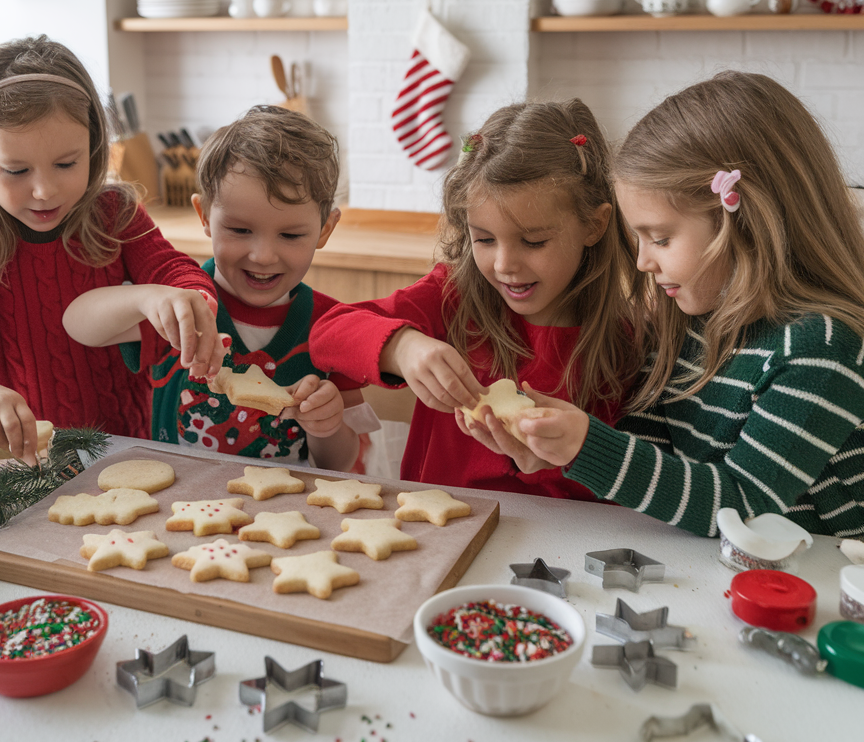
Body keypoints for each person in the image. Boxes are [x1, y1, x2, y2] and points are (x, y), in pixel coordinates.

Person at [508, 72, 864, 537]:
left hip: (818, 583)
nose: (641, 262)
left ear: (746, 222)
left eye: (660, 238)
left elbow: (743, 510)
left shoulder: (819, 348)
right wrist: (555, 451)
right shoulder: (684, 320)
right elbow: (653, 458)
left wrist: (588, 446)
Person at [0, 35, 222, 462]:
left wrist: (191, 301)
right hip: (24, 463)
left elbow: (176, 272)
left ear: (92, 146)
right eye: (16, 170)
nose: (43, 190)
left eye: (66, 164)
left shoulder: (115, 214)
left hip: (126, 450)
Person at [309, 100, 641, 498]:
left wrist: (565, 455)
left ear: (594, 224)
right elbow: (327, 334)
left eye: (533, 241)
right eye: (483, 239)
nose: (504, 264)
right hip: (440, 535)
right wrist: (402, 347)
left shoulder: (627, 343)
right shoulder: (452, 298)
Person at [63, 106, 370, 472]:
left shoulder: (335, 329)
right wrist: (147, 297)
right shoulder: (184, 306)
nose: (262, 255)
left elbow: (341, 461)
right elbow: (76, 323)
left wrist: (328, 425)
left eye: (290, 235)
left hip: (282, 516)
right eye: (240, 230)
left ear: (325, 229)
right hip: (175, 511)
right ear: (205, 216)